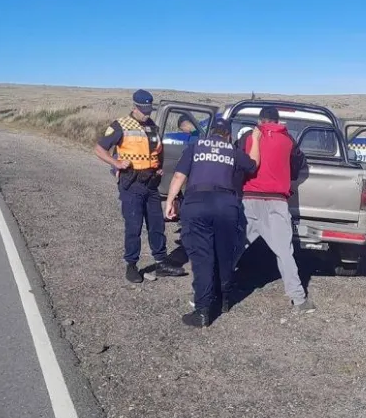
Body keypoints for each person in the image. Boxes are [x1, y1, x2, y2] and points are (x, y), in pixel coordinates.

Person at [165, 117, 261, 327]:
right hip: (226, 205)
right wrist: (256, 139)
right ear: (228, 135)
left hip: (197, 204)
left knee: (202, 258)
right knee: (224, 255)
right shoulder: (232, 151)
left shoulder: (195, 146)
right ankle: (224, 299)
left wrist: (170, 201)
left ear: (211, 133)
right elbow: (253, 164)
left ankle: (202, 312)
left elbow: (179, 176)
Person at [95, 89, 186, 283]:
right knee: (134, 226)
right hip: (132, 182)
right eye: (143, 109)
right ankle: (131, 265)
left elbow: (157, 149)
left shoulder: (152, 126)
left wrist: (159, 167)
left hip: (151, 182)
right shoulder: (120, 125)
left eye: (149, 109)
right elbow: (99, 148)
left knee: (156, 224)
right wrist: (116, 163)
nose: (147, 113)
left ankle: (161, 262)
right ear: (134, 106)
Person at [235, 106, 316, 313]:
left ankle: (212, 290)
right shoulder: (288, 140)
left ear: (260, 120)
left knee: (234, 248)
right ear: (277, 121)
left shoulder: (248, 138)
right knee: (284, 252)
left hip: (249, 200)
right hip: (277, 202)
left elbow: (237, 162)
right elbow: (298, 167)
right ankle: (298, 300)